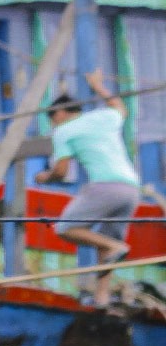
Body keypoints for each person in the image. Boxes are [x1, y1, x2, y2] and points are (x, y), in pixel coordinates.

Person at [35, 69, 141, 306]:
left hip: (105, 185)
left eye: (52, 119)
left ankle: (116, 246)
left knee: (65, 228)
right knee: (106, 247)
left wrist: (45, 177)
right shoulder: (103, 117)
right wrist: (98, 85)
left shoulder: (63, 130)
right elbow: (120, 107)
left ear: (60, 113)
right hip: (131, 189)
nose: (53, 124)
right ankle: (101, 298)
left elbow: (61, 171)